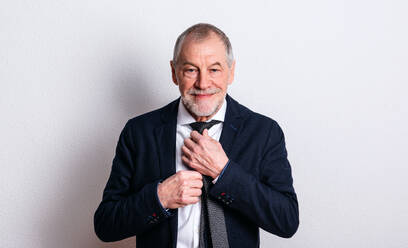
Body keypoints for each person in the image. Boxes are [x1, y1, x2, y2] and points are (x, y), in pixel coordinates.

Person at [94, 23, 299, 248]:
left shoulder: (264, 132)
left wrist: (225, 172)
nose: (203, 84)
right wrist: (159, 197)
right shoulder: (139, 133)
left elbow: (287, 220)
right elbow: (106, 224)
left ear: (231, 71)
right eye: (191, 70)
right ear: (174, 72)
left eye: (214, 69)